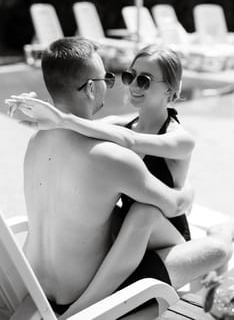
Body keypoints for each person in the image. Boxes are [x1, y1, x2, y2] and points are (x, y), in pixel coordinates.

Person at [6, 39, 233, 319]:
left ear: (170, 90)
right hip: (88, 297)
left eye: (144, 80)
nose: (128, 85)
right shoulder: (111, 157)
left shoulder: (36, 141)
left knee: (141, 213)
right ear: (92, 87)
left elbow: (121, 137)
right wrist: (187, 192)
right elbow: (171, 202)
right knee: (181, 229)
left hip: (36, 286)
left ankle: (225, 230)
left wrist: (44, 118)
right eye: (113, 78)